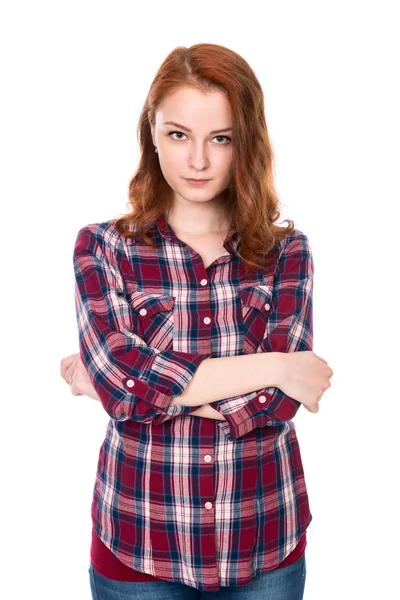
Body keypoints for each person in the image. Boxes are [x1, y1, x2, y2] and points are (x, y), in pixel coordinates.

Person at [60, 43, 333, 599]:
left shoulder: (288, 253)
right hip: (139, 543)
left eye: (221, 138)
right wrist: (277, 366)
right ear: (152, 135)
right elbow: (122, 378)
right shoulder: (104, 247)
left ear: (246, 142)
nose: (199, 161)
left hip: (264, 543)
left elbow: (276, 404)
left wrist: (133, 388)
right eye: (179, 135)